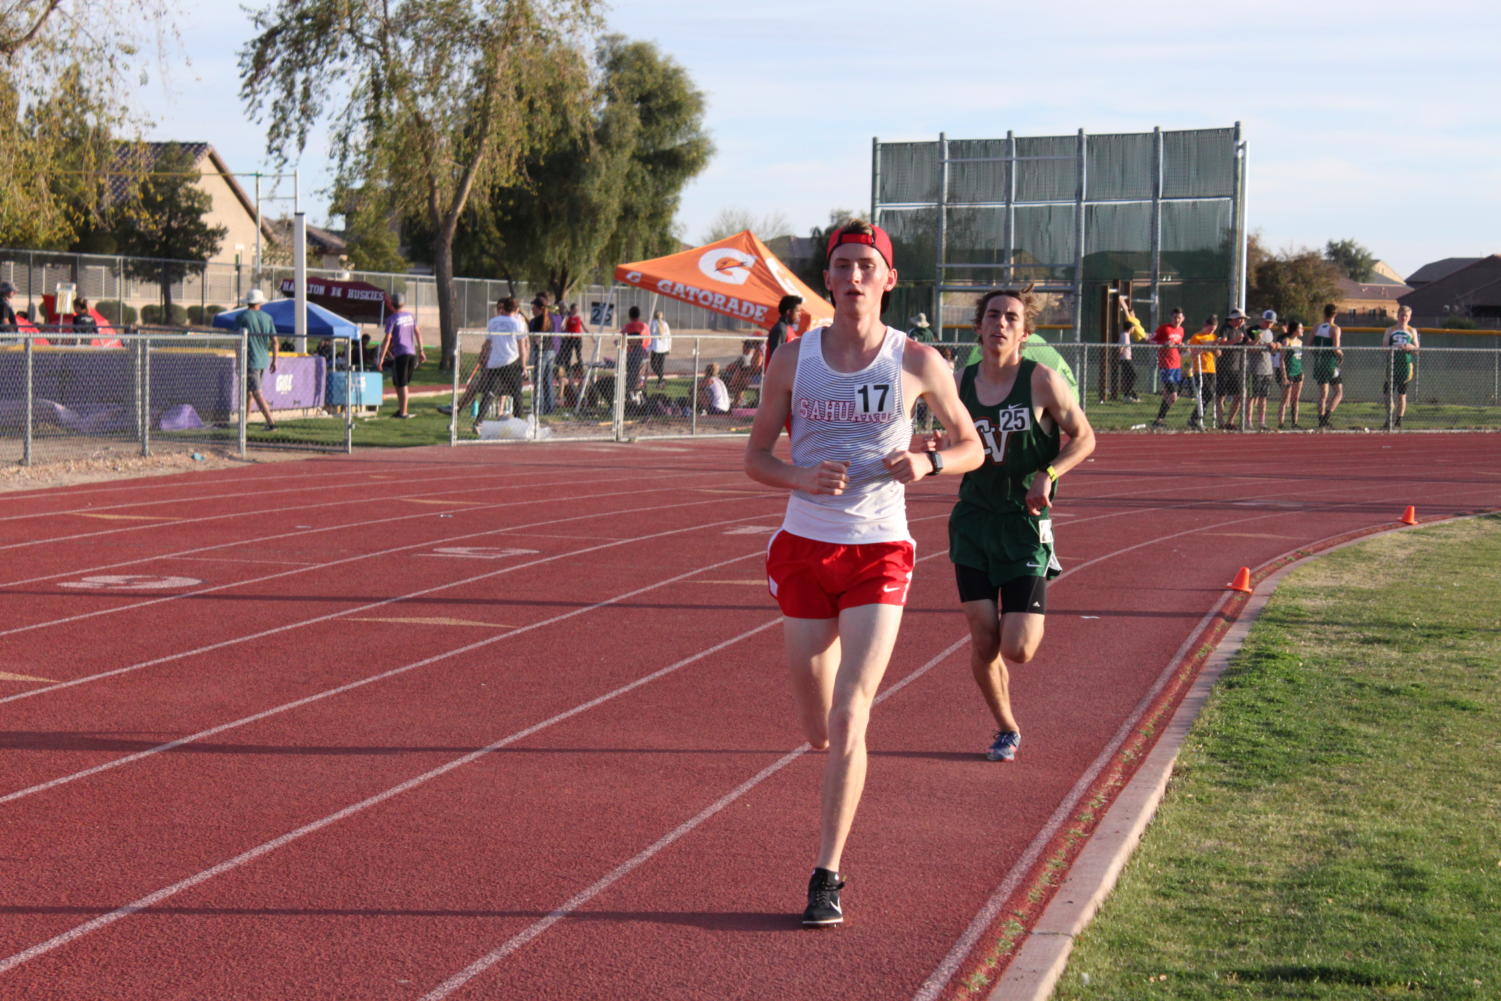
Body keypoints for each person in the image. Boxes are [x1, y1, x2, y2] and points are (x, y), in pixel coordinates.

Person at [744, 220, 982, 927]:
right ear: (827, 278)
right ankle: (825, 747)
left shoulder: (915, 360)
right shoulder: (792, 360)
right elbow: (755, 456)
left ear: (887, 279)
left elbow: (970, 443)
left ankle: (826, 874)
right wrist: (798, 474)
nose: (851, 278)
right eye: (841, 266)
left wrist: (931, 461)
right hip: (802, 547)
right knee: (817, 725)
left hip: (879, 547)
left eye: (864, 267)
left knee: (853, 714)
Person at [939, 286, 1095, 764]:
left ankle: (1022, 613)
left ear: (1025, 332)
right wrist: (935, 453)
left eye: (1010, 317)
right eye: (992, 315)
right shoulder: (957, 383)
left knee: (1019, 648)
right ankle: (1006, 727)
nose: (1000, 323)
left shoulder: (1042, 381)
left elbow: (1085, 438)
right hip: (973, 523)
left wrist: (1048, 474)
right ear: (978, 326)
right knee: (983, 635)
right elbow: (952, 447)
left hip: (1024, 524)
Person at [442, 296, 528, 423]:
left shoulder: (493, 322)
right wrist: (523, 366)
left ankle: (478, 422)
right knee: (517, 394)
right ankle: (519, 422)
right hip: (510, 361)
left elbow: (488, 342)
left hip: (494, 363)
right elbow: (522, 347)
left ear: (504, 308)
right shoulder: (518, 324)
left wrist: (484, 355)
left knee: (489, 393)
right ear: (516, 309)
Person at [376, 290, 426, 418]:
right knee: (398, 383)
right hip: (411, 353)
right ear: (403, 304)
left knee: (402, 383)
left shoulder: (392, 319)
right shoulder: (410, 316)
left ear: (391, 305)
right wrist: (421, 351)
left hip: (401, 354)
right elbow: (418, 333)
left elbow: (388, 338)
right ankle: (401, 410)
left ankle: (403, 412)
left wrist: (381, 358)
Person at [236, 289, 279, 431]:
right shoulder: (267, 318)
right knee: (250, 391)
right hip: (262, 359)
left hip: (250, 360)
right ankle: (245, 421)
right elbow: (275, 341)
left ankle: (271, 422)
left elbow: (237, 341)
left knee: (256, 391)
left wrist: (238, 361)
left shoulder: (242, 316)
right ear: (260, 302)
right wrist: (275, 360)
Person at [1383, 304, 1420, 428]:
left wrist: (1411, 347)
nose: (1404, 318)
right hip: (1392, 365)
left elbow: (1417, 350)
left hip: (1405, 366)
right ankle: (1389, 419)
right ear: (1398, 315)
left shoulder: (1412, 330)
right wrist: (1395, 347)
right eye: (1402, 315)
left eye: (1406, 316)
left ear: (1410, 317)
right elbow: (1384, 347)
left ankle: (1398, 420)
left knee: (1401, 395)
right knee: (1387, 393)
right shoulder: (1390, 330)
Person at [1149, 307, 1187, 427]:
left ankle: (1159, 420)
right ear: (1171, 318)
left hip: (1177, 365)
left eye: (1179, 318)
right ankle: (1160, 419)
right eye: (1175, 317)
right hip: (1166, 365)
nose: (1177, 320)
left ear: (1183, 319)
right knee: (1173, 396)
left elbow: (1178, 345)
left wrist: (1181, 346)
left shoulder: (1181, 330)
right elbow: (1150, 340)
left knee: (1166, 394)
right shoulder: (1164, 328)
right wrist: (1163, 344)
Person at [1311, 303, 1344, 429]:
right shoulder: (1335, 328)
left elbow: (1310, 344)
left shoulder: (1316, 327)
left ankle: (1321, 419)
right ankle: (1326, 417)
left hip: (1318, 363)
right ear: (1335, 314)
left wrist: (1318, 354)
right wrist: (1341, 355)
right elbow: (1336, 348)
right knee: (1339, 392)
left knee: (1323, 394)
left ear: (1324, 313)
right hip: (1330, 363)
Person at [1185, 314, 1219, 430]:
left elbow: (1218, 353)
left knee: (1210, 394)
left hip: (1211, 369)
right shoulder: (1197, 337)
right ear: (1205, 326)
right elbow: (1193, 353)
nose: (1211, 332)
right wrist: (1204, 347)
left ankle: (1196, 418)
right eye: (1210, 329)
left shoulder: (1214, 337)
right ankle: (1195, 418)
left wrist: (1215, 347)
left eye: (1213, 329)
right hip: (1199, 369)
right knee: (1206, 392)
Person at [1217, 309, 1249, 430]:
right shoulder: (1225, 328)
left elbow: (1248, 343)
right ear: (1235, 319)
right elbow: (1222, 344)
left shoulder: (1242, 329)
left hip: (1237, 368)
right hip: (1223, 368)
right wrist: (1235, 340)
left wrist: (1257, 340)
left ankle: (1230, 421)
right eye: (1241, 319)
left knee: (1239, 395)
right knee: (1221, 396)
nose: (1243, 321)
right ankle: (1221, 423)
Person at [1247, 310, 1278, 430]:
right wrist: (1263, 345)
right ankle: (1248, 421)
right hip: (1255, 368)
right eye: (1268, 322)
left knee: (1263, 397)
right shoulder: (1253, 330)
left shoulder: (1270, 332)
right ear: (1262, 320)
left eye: (1272, 322)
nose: (1270, 324)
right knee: (1252, 397)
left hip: (1267, 369)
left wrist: (1275, 347)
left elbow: (1272, 351)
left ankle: (1261, 421)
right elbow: (1249, 348)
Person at [1114, 297, 1147, 402]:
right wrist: (1121, 300)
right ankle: (1128, 395)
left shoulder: (1129, 332)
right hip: (1125, 359)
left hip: (1128, 357)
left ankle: (1130, 395)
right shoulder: (1125, 333)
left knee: (1130, 377)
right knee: (1133, 376)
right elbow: (1121, 347)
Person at [529, 296, 557, 415]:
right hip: (551, 351)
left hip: (542, 352)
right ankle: (549, 408)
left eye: (534, 307)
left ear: (540, 308)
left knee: (539, 381)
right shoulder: (550, 318)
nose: (532, 309)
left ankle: (539, 408)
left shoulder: (537, 320)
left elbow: (535, 339)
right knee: (547, 380)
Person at [1277, 321, 1305, 429]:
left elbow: (1299, 359)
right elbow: (1281, 359)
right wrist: (1284, 376)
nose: (1302, 330)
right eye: (1300, 328)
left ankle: (1294, 423)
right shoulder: (1286, 341)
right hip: (1289, 373)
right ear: (1294, 330)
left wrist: (1301, 372)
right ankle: (1281, 424)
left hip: (1298, 372)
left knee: (1296, 398)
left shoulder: (1300, 342)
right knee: (1285, 399)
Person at [722, 339, 765, 409]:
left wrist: (743, 372)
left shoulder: (757, 353)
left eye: (744, 346)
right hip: (755, 376)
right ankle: (738, 401)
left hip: (758, 378)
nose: (743, 347)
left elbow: (756, 368)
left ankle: (736, 401)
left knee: (739, 379)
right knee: (739, 377)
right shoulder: (757, 353)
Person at [621, 305, 650, 398]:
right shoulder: (645, 326)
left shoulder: (627, 326)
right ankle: (640, 394)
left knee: (631, 376)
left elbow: (621, 339)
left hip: (632, 354)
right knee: (641, 376)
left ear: (630, 316)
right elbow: (649, 341)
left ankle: (631, 395)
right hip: (644, 354)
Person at [766, 294, 802, 361]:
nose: (800, 314)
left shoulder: (788, 328)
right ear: (788, 312)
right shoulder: (780, 329)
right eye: (797, 311)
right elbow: (776, 358)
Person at [648, 309, 672, 386]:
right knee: (659, 365)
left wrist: (649, 348)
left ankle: (661, 379)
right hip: (660, 347)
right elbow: (669, 336)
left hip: (658, 348)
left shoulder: (656, 323)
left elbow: (650, 336)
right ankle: (661, 380)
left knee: (654, 364)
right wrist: (669, 347)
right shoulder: (662, 323)